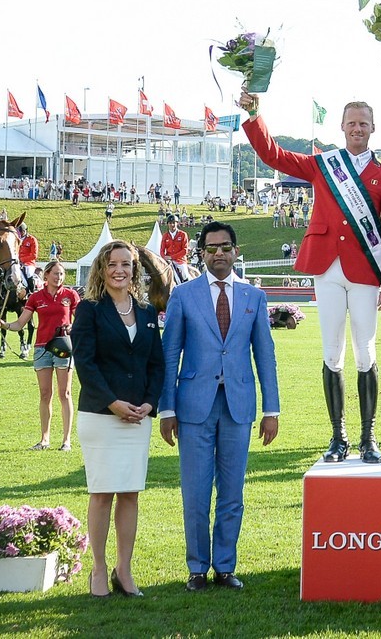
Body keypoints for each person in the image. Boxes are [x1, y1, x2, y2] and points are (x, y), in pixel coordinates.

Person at [240, 89, 381, 464]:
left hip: (364, 270)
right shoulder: (323, 164)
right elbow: (274, 156)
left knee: (366, 352)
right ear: (342, 127)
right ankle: (338, 436)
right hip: (326, 268)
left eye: (363, 123)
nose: (357, 129)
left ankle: (368, 436)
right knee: (332, 351)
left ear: (373, 128)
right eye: (351, 123)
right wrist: (253, 115)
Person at [160, 221, 280, 592]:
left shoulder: (253, 297)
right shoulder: (183, 295)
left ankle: (225, 566)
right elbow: (169, 354)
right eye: (211, 248)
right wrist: (166, 409)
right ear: (202, 252)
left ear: (235, 250)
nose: (219, 254)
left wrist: (271, 409)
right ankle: (197, 568)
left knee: (232, 493)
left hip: (239, 407)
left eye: (225, 246)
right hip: (193, 406)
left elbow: (265, 355)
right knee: (195, 492)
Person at [71, 240, 165, 598]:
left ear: (134, 269)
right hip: (100, 415)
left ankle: (123, 570)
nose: (119, 270)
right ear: (102, 268)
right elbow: (86, 363)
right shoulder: (89, 309)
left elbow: (156, 363)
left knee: (130, 493)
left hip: (138, 418)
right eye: (112, 264)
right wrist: (112, 402)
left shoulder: (145, 311)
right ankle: (97, 569)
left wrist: (148, 402)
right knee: (101, 493)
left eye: (126, 264)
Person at [0, 260, 80, 451]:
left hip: (63, 346)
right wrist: (5, 325)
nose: (59, 277)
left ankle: (66, 440)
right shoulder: (35, 297)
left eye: (61, 274)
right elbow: (20, 323)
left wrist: (72, 327)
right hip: (42, 348)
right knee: (44, 394)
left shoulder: (70, 295)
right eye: (55, 274)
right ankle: (44, 439)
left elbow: (81, 321)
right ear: (46, 276)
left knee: (64, 393)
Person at [160, 214, 191, 283]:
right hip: (168, 261)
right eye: (170, 223)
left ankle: (187, 288)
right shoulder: (165, 236)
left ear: (177, 223)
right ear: (168, 224)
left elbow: (185, 250)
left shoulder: (183, 234)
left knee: (185, 275)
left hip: (180, 261)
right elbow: (162, 250)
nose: (172, 225)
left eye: (174, 223)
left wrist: (172, 257)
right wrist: (164, 257)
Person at [17, 222, 38, 295]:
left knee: (29, 273)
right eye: (19, 232)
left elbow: (34, 255)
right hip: (17, 262)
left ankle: (32, 292)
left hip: (29, 263)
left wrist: (22, 260)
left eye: (22, 231)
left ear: (25, 230)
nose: (21, 233)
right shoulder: (16, 240)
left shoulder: (32, 239)